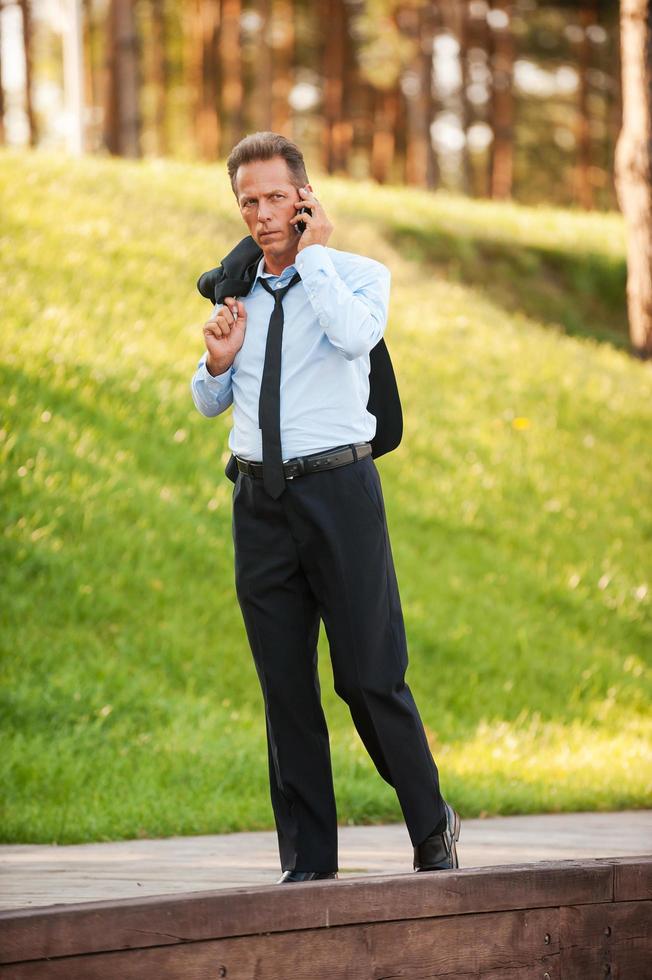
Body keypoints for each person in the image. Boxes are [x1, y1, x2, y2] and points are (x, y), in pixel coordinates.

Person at [190, 132, 460, 883]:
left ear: (305, 197)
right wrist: (216, 362)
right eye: (249, 200)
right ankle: (309, 865)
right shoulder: (234, 293)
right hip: (260, 502)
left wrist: (312, 259)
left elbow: (354, 337)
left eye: (277, 197)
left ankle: (430, 824)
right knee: (285, 687)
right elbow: (212, 398)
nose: (262, 213)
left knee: (369, 676)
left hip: (340, 495)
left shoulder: (358, 277)